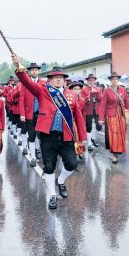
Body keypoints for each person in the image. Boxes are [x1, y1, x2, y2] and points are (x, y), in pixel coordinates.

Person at [12, 54, 86, 210]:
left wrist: (82, 137)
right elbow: (26, 81)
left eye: (61, 77)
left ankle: (60, 181)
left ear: (64, 80)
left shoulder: (71, 95)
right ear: (50, 80)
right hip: (47, 136)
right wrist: (19, 67)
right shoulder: (43, 91)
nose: (58, 80)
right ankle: (52, 195)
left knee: (72, 164)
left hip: (66, 136)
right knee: (49, 166)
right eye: (55, 77)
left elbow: (78, 117)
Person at [98, 72, 129, 164]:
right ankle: (114, 154)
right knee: (113, 134)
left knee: (121, 133)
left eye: (116, 79)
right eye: (113, 79)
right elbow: (103, 105)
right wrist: (101, 118)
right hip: (111, 115)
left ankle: (118, 150)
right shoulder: (107, 90)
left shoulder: (122, 90)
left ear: (118, 80)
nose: (114, 81)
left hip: (121, 114)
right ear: (110, 81)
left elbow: (126, 102)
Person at [19, 63, 45, 166]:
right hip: (30, 113)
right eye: (32, 70)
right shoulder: (25, 83)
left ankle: (38, 149)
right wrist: (22, 114)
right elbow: (21, 99)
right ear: (29, 72)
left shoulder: (43, 82)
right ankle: (33, 157)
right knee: (32, 135)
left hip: (41, 114)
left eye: (36, 70)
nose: (34, 71)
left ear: (38, 71)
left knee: (41, 135)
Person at [81, 73, 102, 151]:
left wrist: (96, 92)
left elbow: (101, 99)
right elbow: (82, 100)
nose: (92, 81)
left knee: (99, 126)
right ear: (87, 81)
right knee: (89, 127)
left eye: (93, 80)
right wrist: (88, 96)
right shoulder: (84, 89)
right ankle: (89, 144)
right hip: (88, 110)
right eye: (90, 80)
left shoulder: (98, 88)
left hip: (97, 109)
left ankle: (93, 138)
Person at [69, 81, 86, 159]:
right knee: (72, 138)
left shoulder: (82, 100)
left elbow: (83, 113)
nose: (76, 91)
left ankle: (80, 151)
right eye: (74, 89)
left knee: (80, 137)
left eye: (78, 89)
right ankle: (73, 152)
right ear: (71, 90)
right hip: (70, 121)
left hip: (78, 122)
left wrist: (83, 123)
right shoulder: (68, 99)